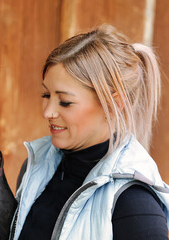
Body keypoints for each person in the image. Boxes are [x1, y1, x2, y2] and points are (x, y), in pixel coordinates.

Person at [9, 25, 169, 240]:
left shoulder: (134, 202)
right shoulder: (35, 168)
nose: (47, 112)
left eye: (65, 102)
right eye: (46, 95)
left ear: (113, 104)